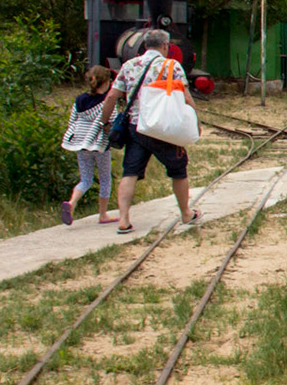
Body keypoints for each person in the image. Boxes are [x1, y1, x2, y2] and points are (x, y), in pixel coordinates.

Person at [97, 30, 199, 235]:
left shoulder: (129, 66)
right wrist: (194, 120)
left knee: (130, 172)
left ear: (144, 45)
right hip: (164, 128)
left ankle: (124, 219)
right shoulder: (172, 66)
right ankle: (186, 213)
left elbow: (111, 97)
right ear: (165, 46)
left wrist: (104, 123)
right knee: (178, 169)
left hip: (136, 128)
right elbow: (186, 97)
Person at [59, 66, 117, 226]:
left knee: (85, 179)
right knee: (105, 179)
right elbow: (109, 123)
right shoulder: (108, 101)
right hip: (100, 144)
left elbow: (73, 121)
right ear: (105, 83)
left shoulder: (79, 100)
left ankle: (71, 203)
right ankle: (103, 214)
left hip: (81, 143)